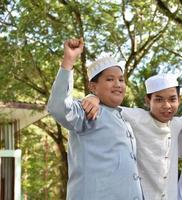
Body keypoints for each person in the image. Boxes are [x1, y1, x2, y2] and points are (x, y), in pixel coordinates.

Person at [82, 74, 182, 200]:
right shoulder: (135, 117)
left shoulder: (180, 123)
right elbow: (110, 108)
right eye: (158, 99)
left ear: (179, 100)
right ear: (147, 101)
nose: (166, 106)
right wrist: (93, 97)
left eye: (172, 99)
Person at [47, 38, 143, 200]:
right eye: (110, 79)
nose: (118, 84)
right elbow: (58, 107)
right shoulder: (88, 110)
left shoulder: (124, 118)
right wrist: (69, 60)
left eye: (121, 79)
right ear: (93, 86)